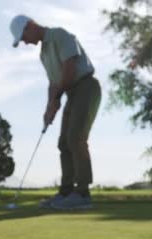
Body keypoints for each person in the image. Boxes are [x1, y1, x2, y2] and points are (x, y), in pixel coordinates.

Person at [9, 15, 101, 210]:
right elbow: (53, 83)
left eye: (23, 37)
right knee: (63, 143)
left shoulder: (59, 35)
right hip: (71, 92)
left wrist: (57, 98)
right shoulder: (43, 54)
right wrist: (49, 107)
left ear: (30, 26)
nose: (24, 42)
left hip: (86, 87)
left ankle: (83, 193)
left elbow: (70, 68)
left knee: (76, 138)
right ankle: (66, 192)